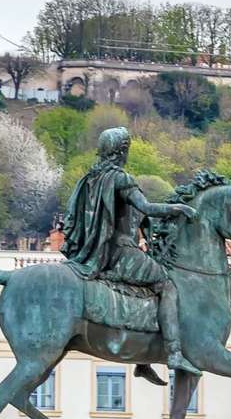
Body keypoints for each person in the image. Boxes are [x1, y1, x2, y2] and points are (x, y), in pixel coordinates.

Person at [59, 126, 200, 375]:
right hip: (121, 252)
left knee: (143, 290)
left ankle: (143, 359)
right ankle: (174, 353)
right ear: (121, 150)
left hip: (99, 252)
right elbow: (146, 207)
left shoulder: (91, 179)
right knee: (166, 285)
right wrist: (179, 209)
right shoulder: (120, 178)